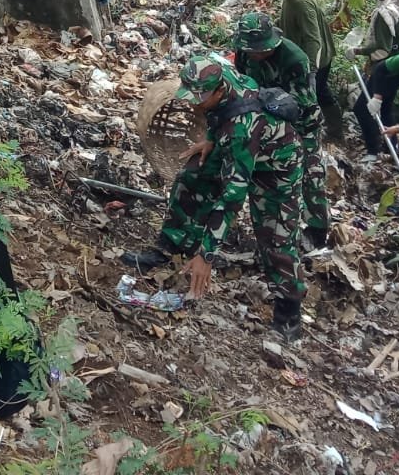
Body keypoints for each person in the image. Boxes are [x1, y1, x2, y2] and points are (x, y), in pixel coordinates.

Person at [120, 52, 305, 339]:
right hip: (231, 139)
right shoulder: (220, 73)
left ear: (219, 91)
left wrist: (207, 254)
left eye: (199, 97)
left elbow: (233, 196)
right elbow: (222, 112)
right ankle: (170, 245)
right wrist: (210, 138)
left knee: (275, 234)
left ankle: (289, 314)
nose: (193, 102)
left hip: (277, 163)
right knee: (191, 176)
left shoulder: (241, 129)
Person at [232, 11, 327, 249]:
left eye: (260, 51)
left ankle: (317, 230)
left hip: (302, 122)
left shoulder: (294, 59)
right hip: (266, 121)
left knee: (310, 174)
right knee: (269, 178)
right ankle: (277, 229)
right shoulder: (245, 55)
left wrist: (265, 100)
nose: (256, 55)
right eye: (251, 51)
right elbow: (244, 85)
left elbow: (300, 104)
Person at [265, 0, 343, 140]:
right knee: (317, 93)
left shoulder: (302, 1)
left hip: (315, 59)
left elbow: (313, 39)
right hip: (301, 55)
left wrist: (311, 71)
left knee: (316, 95)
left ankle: (331, 132)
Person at [354, 46, 399, 152]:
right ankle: (377, 150)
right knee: (363, 108)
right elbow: (380, 69)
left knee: (384, 111)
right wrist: (377, 97)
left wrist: (398, 128)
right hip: (393, 73)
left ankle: (390, 150)